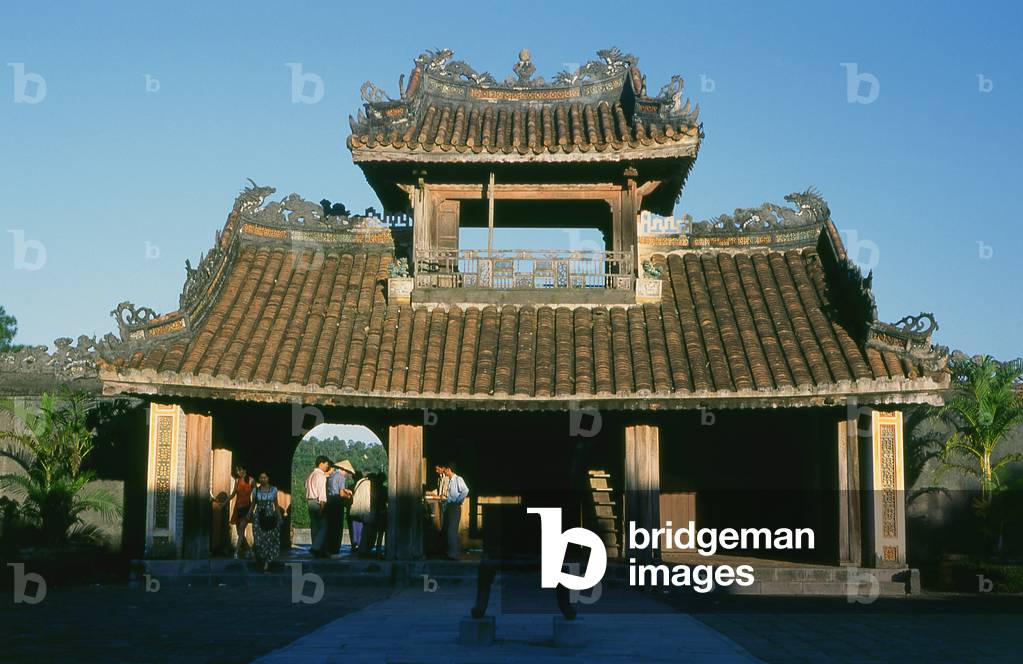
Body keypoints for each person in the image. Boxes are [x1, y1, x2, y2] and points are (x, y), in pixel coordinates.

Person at [247, 472, 284, 572]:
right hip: (258, 516)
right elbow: (253, 504)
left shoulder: (273, 490)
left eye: (265, 477)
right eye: (261, 477)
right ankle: (261, 559)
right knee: (259, 538)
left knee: (270, 538)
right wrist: (249, 514)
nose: (263, 479)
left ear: (268, 478)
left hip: (270, 515)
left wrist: (279, 517)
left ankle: (267, 562)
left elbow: (276, 505)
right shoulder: (256, 490)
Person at [222, 465, 254, 559]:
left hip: (246, 508)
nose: (238, 472)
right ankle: (249, 550)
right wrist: (224, 503)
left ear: (245, 470)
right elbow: (233, 494)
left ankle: (236, 553)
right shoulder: (237, 481)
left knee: (242, 530)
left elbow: (255, 497)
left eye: (239, 470)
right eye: (236, 470)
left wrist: (251, 510)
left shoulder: (251, 481)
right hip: (238, 508)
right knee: (239, 533)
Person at [325, 459, 354, 557]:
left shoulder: (331, 476)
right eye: (347, 471)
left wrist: (345, 490)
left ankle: (329, 549)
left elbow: (334, 488)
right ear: (343, 469)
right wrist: (349, 496)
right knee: (337, 528)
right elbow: (341, 493)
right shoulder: (341, 477)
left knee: (330, 527)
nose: (346, 474)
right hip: (337, 505)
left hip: (329, 503)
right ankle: (335, 550)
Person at [442, 462, 469, 560]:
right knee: (449, 530)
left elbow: (465, 490)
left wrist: (458, 501)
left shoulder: (458, 479)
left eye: (446, 469)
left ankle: (454, 553)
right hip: (449, 506)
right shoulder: (450, 480)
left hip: (454, 506)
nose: (444, 471)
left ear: (449, 470)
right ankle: (451, 552)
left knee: (452, 530)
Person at [304, 455, 331, 558]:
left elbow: (306, 487)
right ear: (321, 464)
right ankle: (315, 548)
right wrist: (322, 507)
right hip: (317, 502)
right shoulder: (321, 476)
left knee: (315, 526)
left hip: (310, 501)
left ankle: (318, 549)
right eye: (326, 464)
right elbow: (322, 493)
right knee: (324, 526)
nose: (327, 466)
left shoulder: (310, 475)